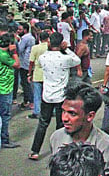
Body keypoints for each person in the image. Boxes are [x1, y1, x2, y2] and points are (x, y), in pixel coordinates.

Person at [49, 82, 109, 176]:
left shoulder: (108, 148)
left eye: (72, 113)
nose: (64, 118)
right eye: (63, 111)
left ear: (90, 116)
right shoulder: (56, 138)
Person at [29, 32, 80, 160]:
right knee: (61, 124)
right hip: (61, 96)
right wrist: (66, 49)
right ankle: (59, 151)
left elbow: (39, 65)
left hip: (47, 95)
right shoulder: (65, 59)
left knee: (43, 123)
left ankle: (35, 150)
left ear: (49, 43)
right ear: (61, 43)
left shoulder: (43, 57)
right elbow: (77, 60)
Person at [0, 32, 21, 148]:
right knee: (4, 115)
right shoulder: (3, 55)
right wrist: (14, 53)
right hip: (3, 88)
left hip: (1, 87)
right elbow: (17, 64)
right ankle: (4, 140)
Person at [16, 21, 35, 109]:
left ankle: (30, 101)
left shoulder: (25, 38)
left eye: (20, 29)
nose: (18, 31)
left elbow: (19, 49)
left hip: (24, 63)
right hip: (28, 62)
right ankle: (28, 100)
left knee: (26, 83)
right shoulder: (31, 37)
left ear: (25, 30)